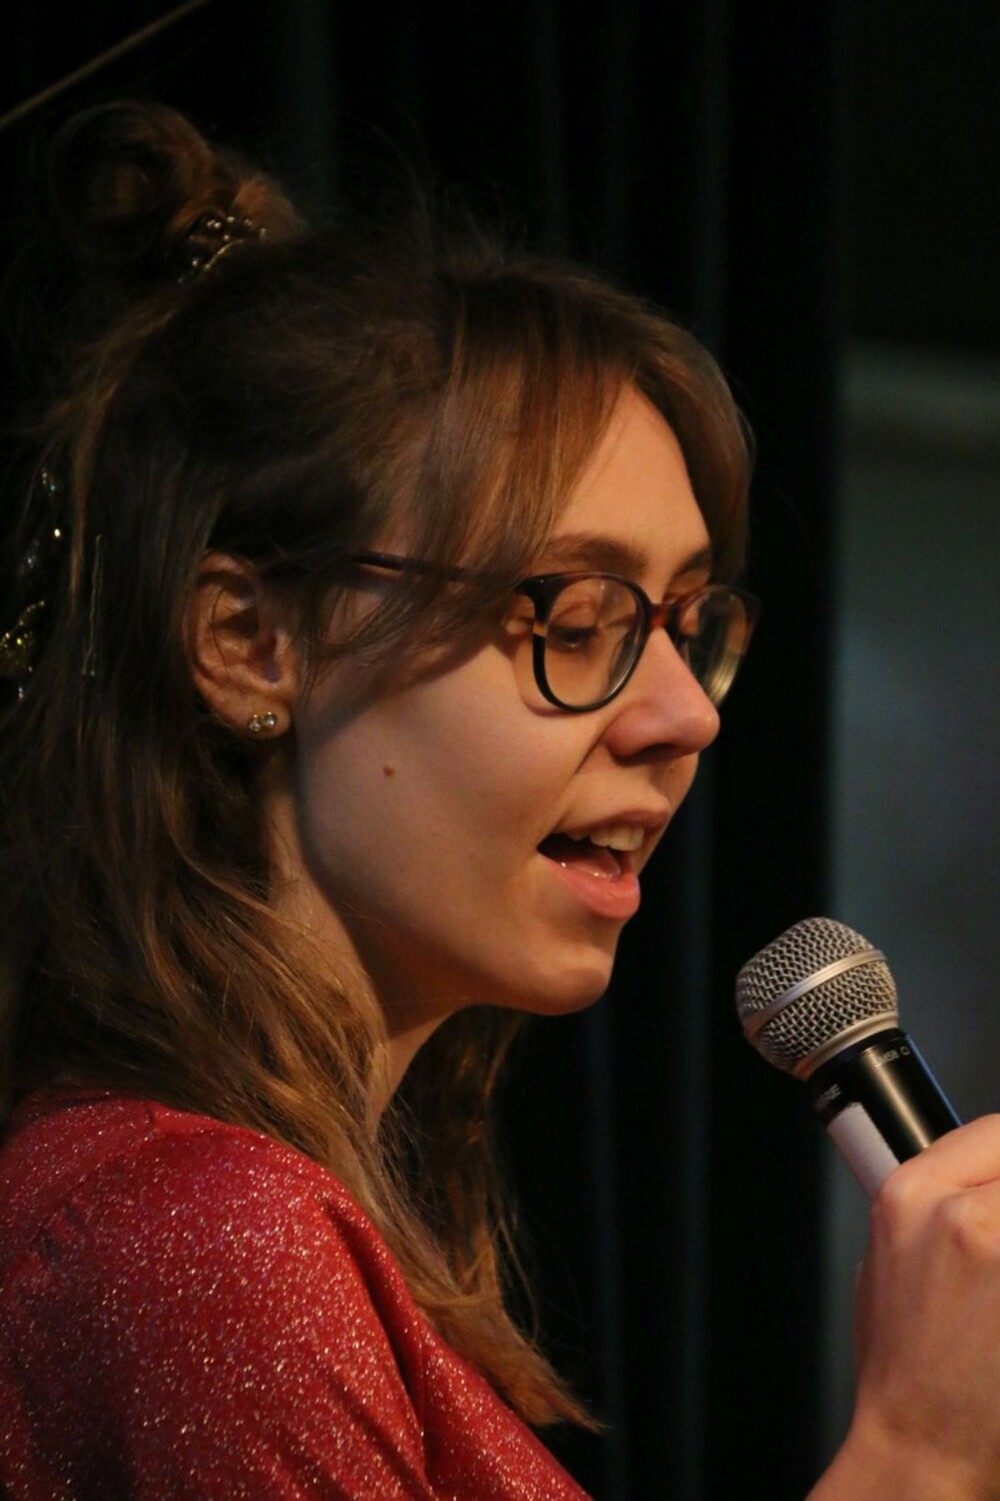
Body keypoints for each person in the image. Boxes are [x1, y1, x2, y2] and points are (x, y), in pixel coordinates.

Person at [0, 101, 998, 1501]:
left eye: (689, 623)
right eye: (576, 619)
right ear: (249, 643)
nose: (688, 715)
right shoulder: (206, 1244)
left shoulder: (249, 1220)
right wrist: (922, 1456)